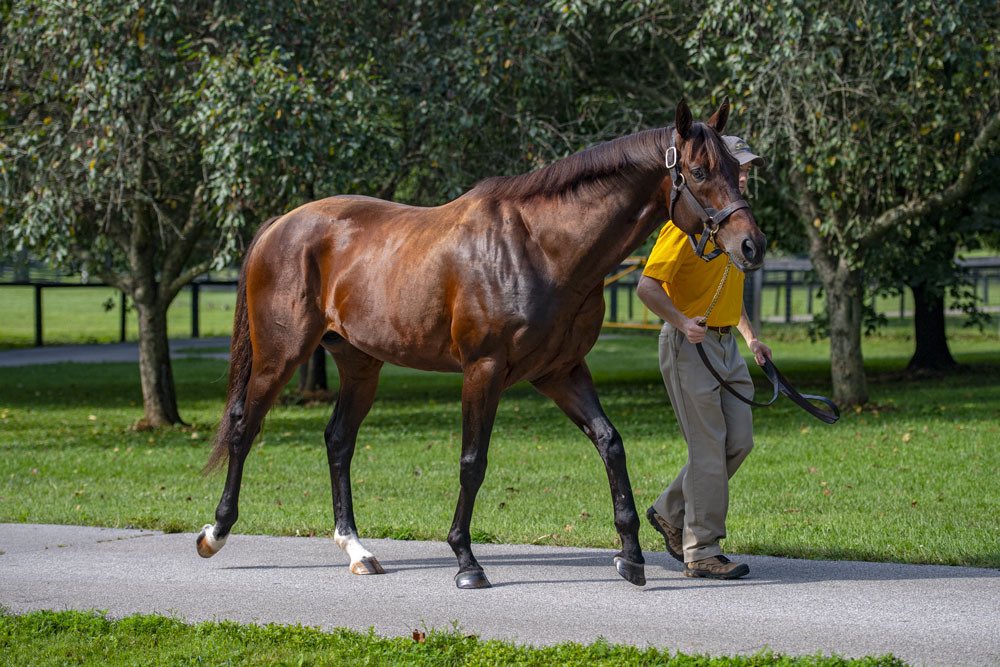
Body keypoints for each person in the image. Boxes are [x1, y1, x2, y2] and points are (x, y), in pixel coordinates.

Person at [636, 134, 771, 580]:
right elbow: (647, 286)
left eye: (747, 168)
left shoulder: (731, 224)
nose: (745, 174)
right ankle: (702, 550)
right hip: (688, 346)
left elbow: (731, 291)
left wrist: (750, 337)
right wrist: (680, 321)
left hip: (727, 347)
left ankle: (669, 510)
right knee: (708, 447)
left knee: (739, 442)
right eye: (739, 167)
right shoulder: (681, 228)